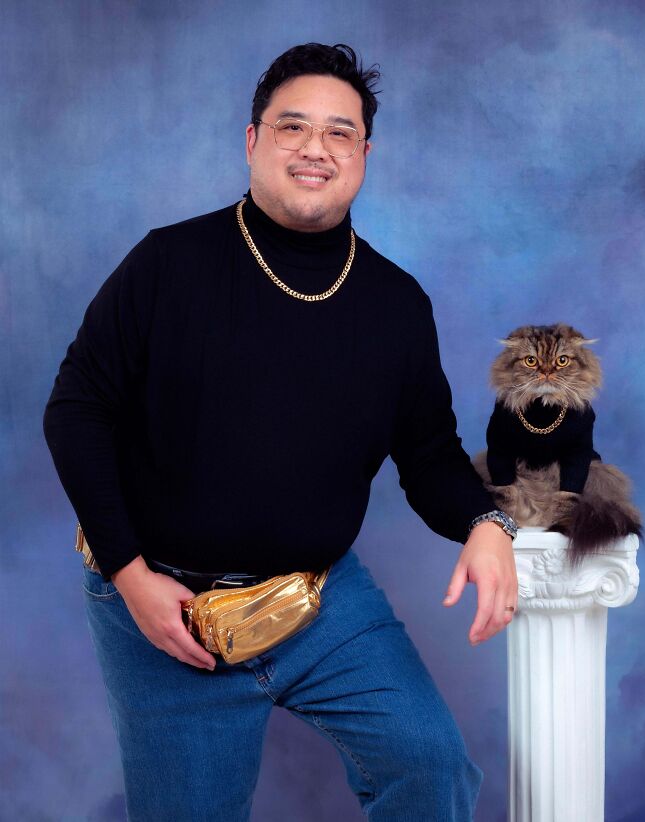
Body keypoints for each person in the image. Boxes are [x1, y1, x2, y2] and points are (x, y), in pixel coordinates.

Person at [43, 42, 519, 821]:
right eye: (293, 127)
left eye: (339, 133)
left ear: (364, 154)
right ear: (253, 140)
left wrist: (487, 522)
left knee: (433, 768)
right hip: (169, 606)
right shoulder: (169, 262)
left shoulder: (398, 305)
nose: (315, 149)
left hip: (323, 600)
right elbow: (76, 408)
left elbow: (428, 454)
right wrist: (131, 577)